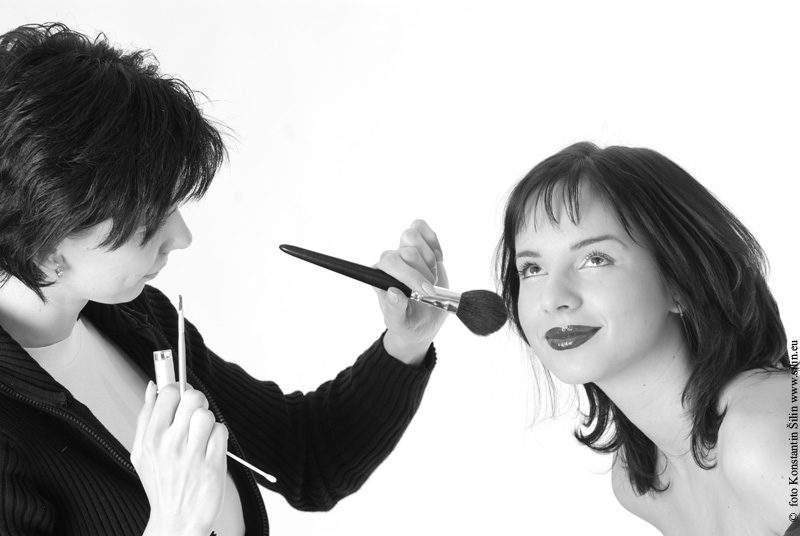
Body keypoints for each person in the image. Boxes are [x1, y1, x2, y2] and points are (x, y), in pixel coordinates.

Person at [0, 23, 447, 536]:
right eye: (149, 219)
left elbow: (307, 457)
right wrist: (174, 523)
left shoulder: (137, 318)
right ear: (46, 242)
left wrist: (405, 342)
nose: (181, 237)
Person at [495, 141, 794, 535]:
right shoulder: (642, 481)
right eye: (532, 268)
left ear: (681, 282)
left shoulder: (762, 432)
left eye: (595, 259)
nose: (553, 299)